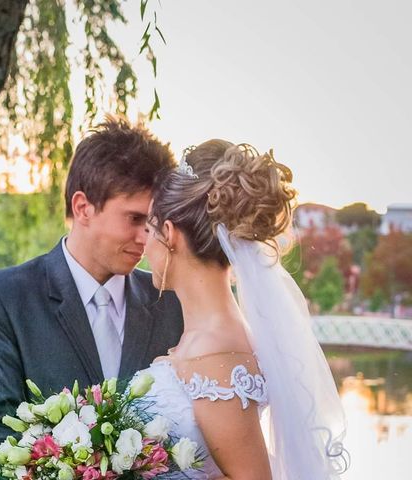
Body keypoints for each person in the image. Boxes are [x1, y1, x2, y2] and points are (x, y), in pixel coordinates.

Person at [0, 117, 184, 471]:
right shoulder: (2, 298)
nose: (147, 237)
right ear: (83, 208)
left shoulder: (171, 302)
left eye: (154, 223)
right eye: (135, 219)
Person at [138, 140, 348, 479]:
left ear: (169, 233)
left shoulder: (215, 354)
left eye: (149, 229)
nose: (144, 243)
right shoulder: (215, 337)